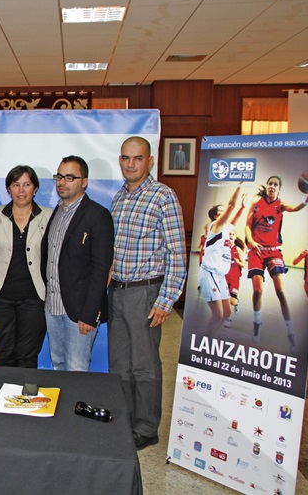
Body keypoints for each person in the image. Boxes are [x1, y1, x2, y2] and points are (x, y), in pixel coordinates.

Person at [109, 136, 186, 451]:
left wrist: (166, 301)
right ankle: (125, 422)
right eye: (126, 158)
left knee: (144, 365)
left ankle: (146, 427)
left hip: (145, 292)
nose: (131, 164)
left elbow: (177, 254)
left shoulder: (163, 196)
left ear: (150, 161)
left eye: (137, 158)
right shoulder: (119, 198)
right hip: (116, 292)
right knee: (119, 365)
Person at [41, 156, 114, 371]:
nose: (62, 182)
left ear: (84, 182)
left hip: (80, 312)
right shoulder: (57, 212)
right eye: (59, 177)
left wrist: (90, 313)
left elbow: (101, 269)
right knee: (58, 365)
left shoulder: (98, 215)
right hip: (53, 306)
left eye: (70, 177)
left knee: (77, 369)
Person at [0, 166, 52, 368]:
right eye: (16, 185)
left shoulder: (49, 216)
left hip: (35, 298)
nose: (21, 190)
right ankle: (3, 389)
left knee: (27, 356)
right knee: (4, 355)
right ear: (8, 189)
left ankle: (25, 390)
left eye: (27, 184)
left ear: (35, 188)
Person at [246, 175, 307, 348]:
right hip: (257, 251)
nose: (272, 186)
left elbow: (294, 208)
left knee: (280, 291)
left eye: (275, 184)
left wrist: (306, 201)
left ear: (279, 189)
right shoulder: (256, 202)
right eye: (270, 184)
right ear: (266, 186)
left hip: (273, 252)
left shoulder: (281, 205)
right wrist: (251, 241)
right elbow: (247, 226)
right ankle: (257, 324)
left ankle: (290, 331)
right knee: (257, 291)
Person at [199, 185, 248, 335]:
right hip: (209, 273)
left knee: (226, 313)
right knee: (218, 315)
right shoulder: (216, 226)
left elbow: (235, 218)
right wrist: (239, 185)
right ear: (215, 216)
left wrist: (242, 207)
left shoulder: (226, 228)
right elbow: (231, 206)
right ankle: (204, 339)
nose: (225, 211)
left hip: (220, 275)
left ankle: (209, 336)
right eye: (221, 210)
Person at [224, 229, 246, 317]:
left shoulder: (237, 249)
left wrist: (238, 262)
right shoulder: (224, 248)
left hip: (234, 277)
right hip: (224, 276)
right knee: (224, 299)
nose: (231, 235)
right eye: (230, 234)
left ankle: (236, 304)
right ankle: (227, 317)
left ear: (235, 237)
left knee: (232, 301)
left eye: (233, 234)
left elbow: (243, 265)